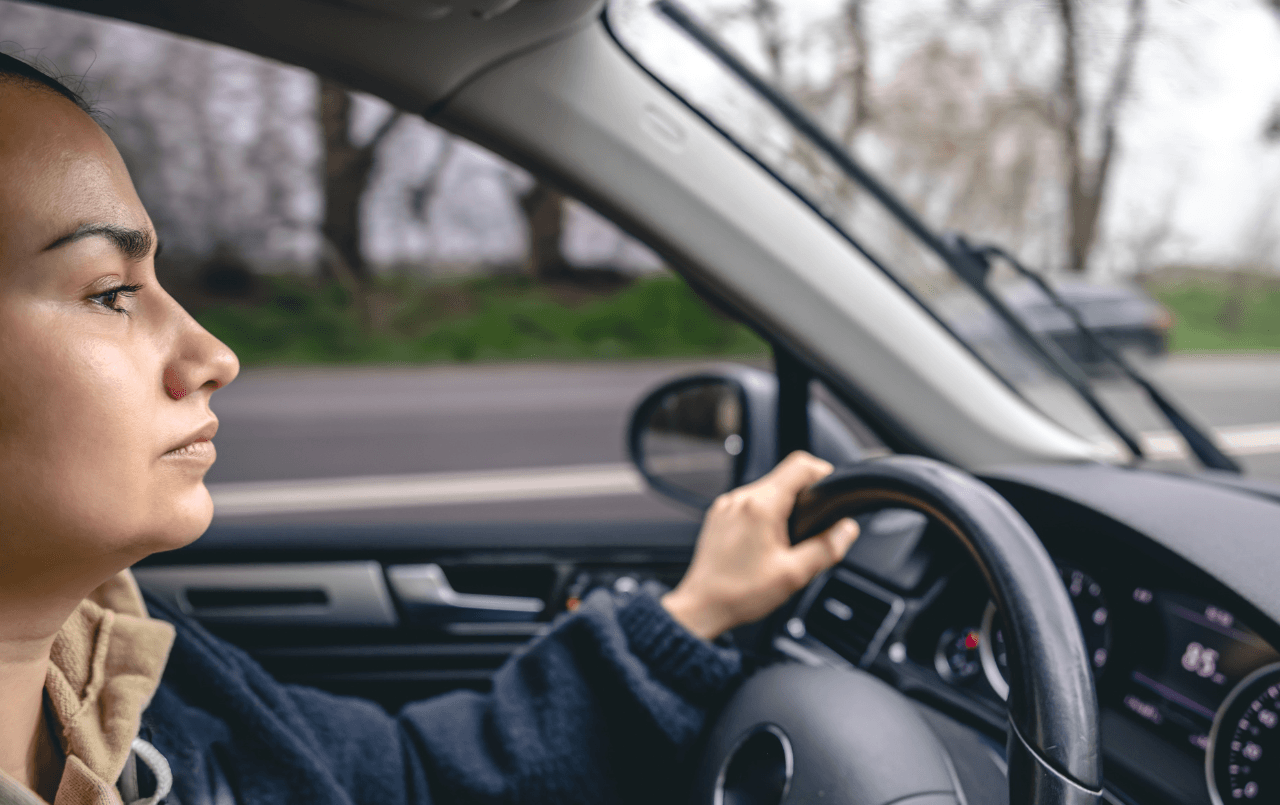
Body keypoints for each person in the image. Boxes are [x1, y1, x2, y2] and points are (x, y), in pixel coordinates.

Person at [0, 52, 859, 805]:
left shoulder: (132, 669)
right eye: (110, 292)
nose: (214, 355)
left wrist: (696, 613)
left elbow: (408, 779)